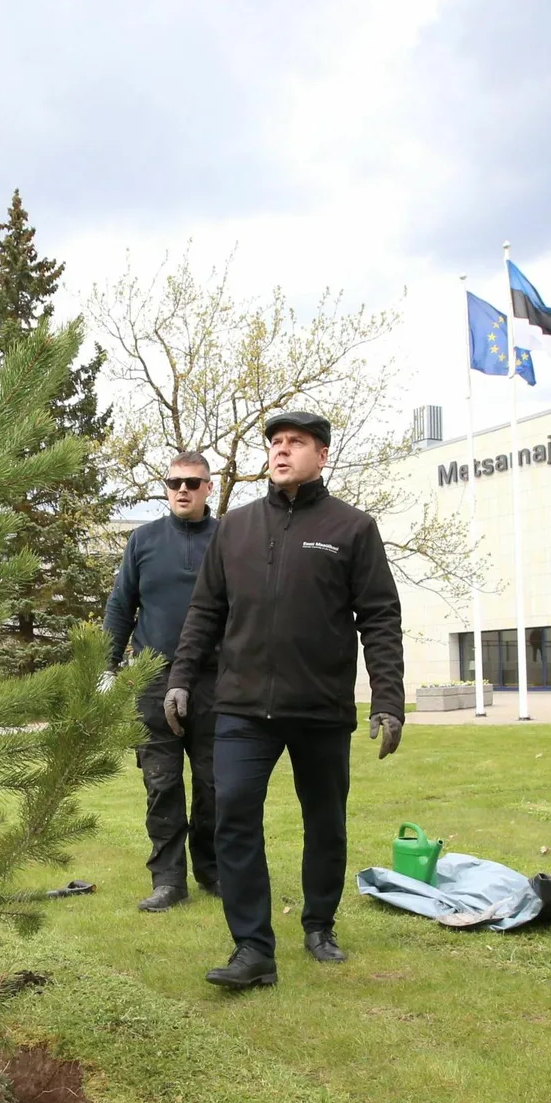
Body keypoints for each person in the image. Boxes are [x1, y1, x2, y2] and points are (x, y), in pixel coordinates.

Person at [165, 411, 405, 988]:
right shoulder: (236, 528)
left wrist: (387, 698)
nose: (281, 451)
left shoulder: (352, 528)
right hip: (242, 707)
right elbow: (205, 611)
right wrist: (180, 677)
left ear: (322, 455)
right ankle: (253, 948)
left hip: (319, 707)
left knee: (326, 822)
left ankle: (319, 925)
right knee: (233, 820)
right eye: (275, 442)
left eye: (296, 443)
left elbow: (379, 617)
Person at [102, 450, 220, 912]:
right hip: (153, 679)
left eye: (193, 482)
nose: (183, 490)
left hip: (215, 682)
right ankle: (169, 880)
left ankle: (212, 872)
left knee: (215, 785)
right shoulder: (143, 541)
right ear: (166, 489)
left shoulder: (229, 539)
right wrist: (107, 669)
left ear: (209, 487)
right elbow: (120, 606)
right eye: (175, 483)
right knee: (162, 783)